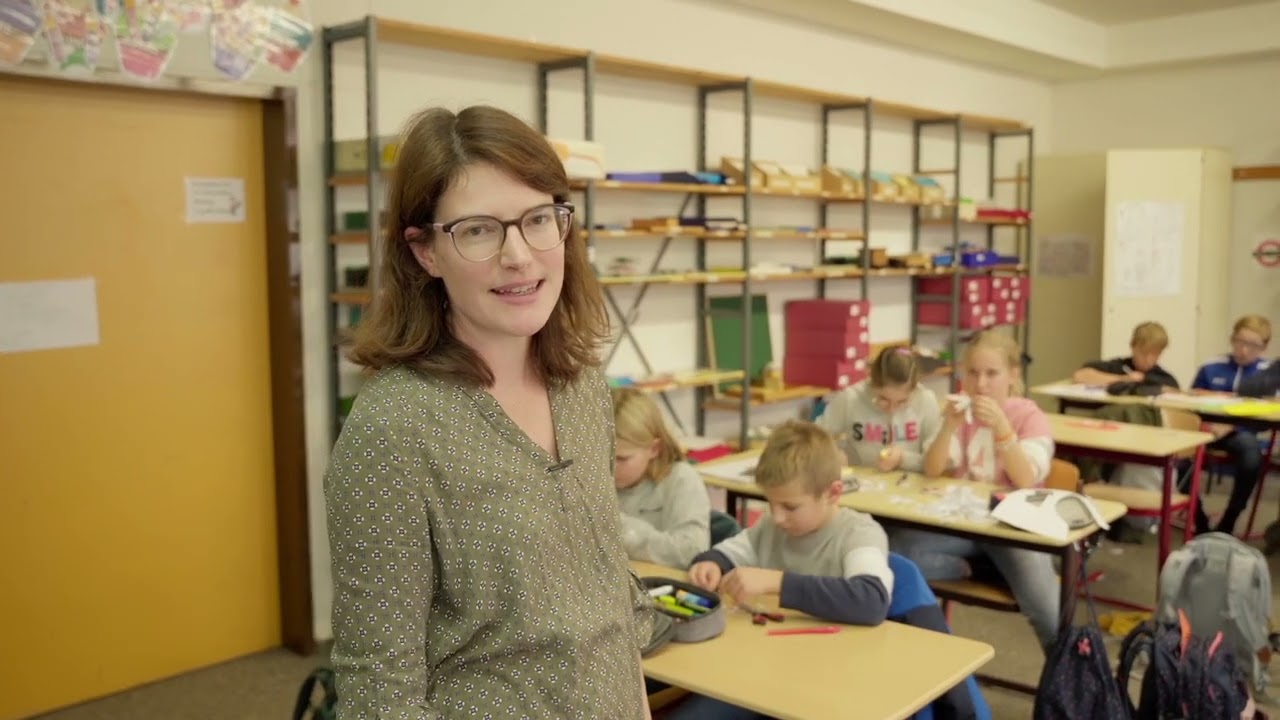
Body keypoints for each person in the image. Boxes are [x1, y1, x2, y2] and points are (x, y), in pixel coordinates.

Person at [323, 105, 651, 719]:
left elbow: (612, 602)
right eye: (478, 230)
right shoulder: (392, 430)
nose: (520, 256)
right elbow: (378, 693)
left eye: (538, 219)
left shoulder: (582, 387)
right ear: (424, 251)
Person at [665, 421, 893, 720]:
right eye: (770, 503)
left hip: (831, 684)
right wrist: (711, 563)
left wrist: (778, 582)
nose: (777, 517)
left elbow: (871, 601)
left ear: (833, 493)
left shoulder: (859, 533)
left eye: (790, 506)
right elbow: (732, 551)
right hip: (765, 672)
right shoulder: (772, 527)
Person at [898, 330, 1060, 654]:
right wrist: (948, 427)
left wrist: (1002, 429)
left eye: (992, 374)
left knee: (1048, 612)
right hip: (964, 527)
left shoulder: (1029, 416)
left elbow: (1026, 479)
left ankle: (1069, 681)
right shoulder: (963, 412)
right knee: (894, 551)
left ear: (1012, 376)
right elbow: (932, 468)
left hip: (1014, 528)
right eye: (973, 373)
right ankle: (976, 568)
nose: (981, 384)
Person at [1188, 315, 1273, 535]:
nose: (1243, 350)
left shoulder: (1269, 373)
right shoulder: (1211, 367)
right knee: (1177, 456)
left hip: (1244, 434)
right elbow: (1190, 404)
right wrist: (1207, 424)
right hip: (1206, 430)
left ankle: (1230, 519)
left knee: (1251, 456)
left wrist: (1234, 426)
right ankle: (1199, 519)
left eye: (1252, 345)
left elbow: (1270, 415)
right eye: (1239, 341)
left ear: (1263, 347)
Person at [612, 387, 711, 568]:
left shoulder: (680, 480)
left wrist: (618, 528)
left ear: (654, 449)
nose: (609, 468)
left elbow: (691, 552)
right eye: (600, 457)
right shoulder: (590, 481)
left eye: (621, 458)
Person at [815, 345, 943, 472]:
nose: (892, 409)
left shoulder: (925, 400)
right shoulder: (851, 398)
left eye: (902, 402)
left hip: (911, 486)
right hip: (863, 485)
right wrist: (831, 457)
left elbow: (935, 464)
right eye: (883, 400)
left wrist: (903, 459)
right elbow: (811, 439)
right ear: (871, 383)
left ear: (914, 390)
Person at [1071, 321, 1180, 391]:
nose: (1148, 360)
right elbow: (1080, 376)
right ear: (1132, 346)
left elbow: (1173, 392)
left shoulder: (1164, 378)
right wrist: (1124, 378)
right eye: (1144, 353)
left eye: (1155, 354)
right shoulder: (1119, 367)